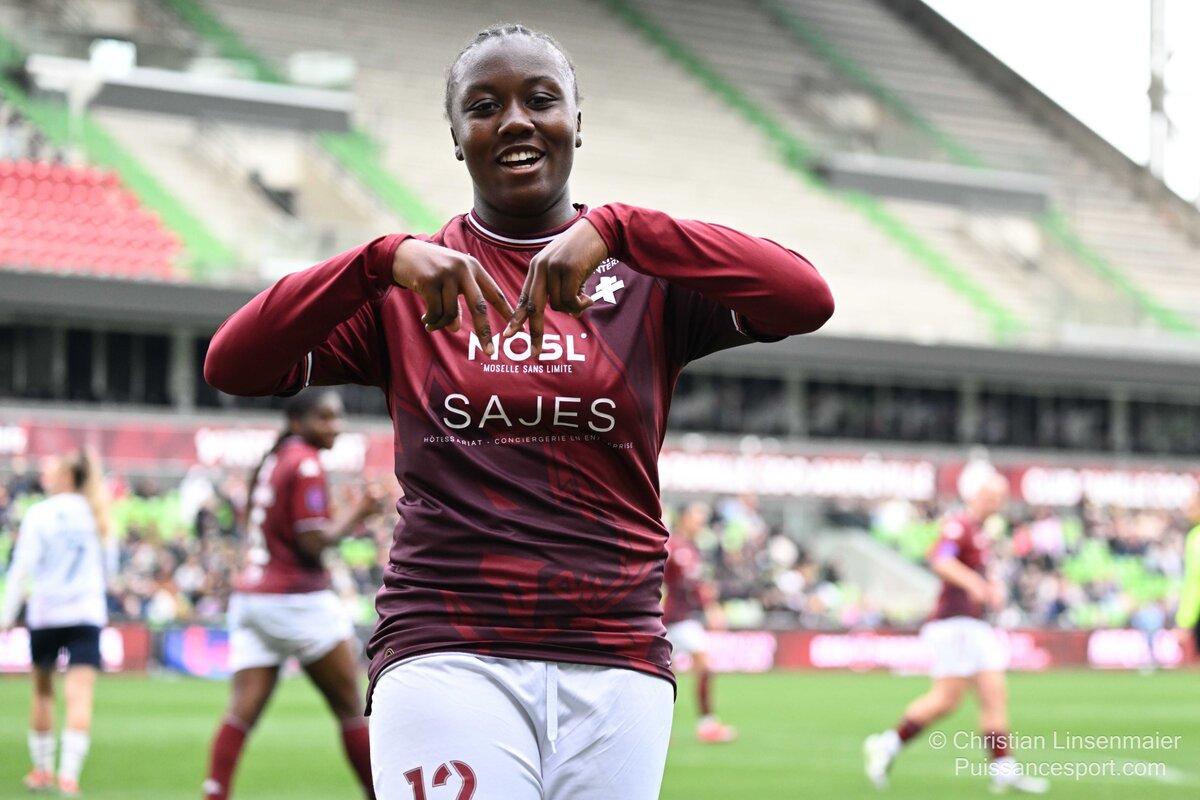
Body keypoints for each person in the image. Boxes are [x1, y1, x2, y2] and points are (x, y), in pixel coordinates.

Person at [204, 24, 833, 800]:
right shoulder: (410, 287)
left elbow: (805, 298)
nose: (514, 121)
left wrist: (620, 228)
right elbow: (232, 364)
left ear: (577, 122)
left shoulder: (645, 278)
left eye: (541, 100)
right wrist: (376, 260)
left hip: (617, 655)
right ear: (456, 137)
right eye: (483, 106)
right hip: (447, 648)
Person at [202, 389, 384, 800]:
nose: (335, 426)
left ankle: (213, 794)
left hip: (253, 597)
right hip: (296, 599)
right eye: (325, 417)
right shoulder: (305, 462)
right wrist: (358, 513)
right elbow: (312, 542)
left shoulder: (276, 459)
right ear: (298, 422)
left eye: (337, 417)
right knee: (351, 708)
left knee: (241, 712)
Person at [863, 473, 1048, 794]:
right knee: (946, 699)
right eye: (990, 496)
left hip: (974, 624)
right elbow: (941, 560)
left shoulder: (981, 532)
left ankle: (1004, 769)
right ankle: (887, 744)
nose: (995, 503)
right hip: (955, 624)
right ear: (975, 496)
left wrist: (991, 587)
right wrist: (974, 583)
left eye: (999, 498)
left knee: (993, 695)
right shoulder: (960, 525)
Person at [0, 450, 113, 796]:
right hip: (86, 614)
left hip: (46, 614)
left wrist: (6, 615)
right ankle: (69, 776)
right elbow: (109, 569)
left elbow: (22, 569)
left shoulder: (40, 513)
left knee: (43, 691)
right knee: (80, 697)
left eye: (51, 471)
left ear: (66, 476)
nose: (45, 477)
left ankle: (43, 770)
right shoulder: (97, 512)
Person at [663, 501, 737, 743]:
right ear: (684, 518)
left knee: (701, 665)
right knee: (661, 676)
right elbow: (690, 584)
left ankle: (707, 724)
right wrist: (711, 607)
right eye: (697, 516)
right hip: (667, 620)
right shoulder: (674, 546)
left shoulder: (689, 547)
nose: (701, 522)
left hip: (682, 619)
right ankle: (664, 726)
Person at [1173, 491, 1200, 658]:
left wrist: (1184, 621)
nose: (1188, 507)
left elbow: (1195, 582)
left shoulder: (1196, 538)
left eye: (1193, 503)